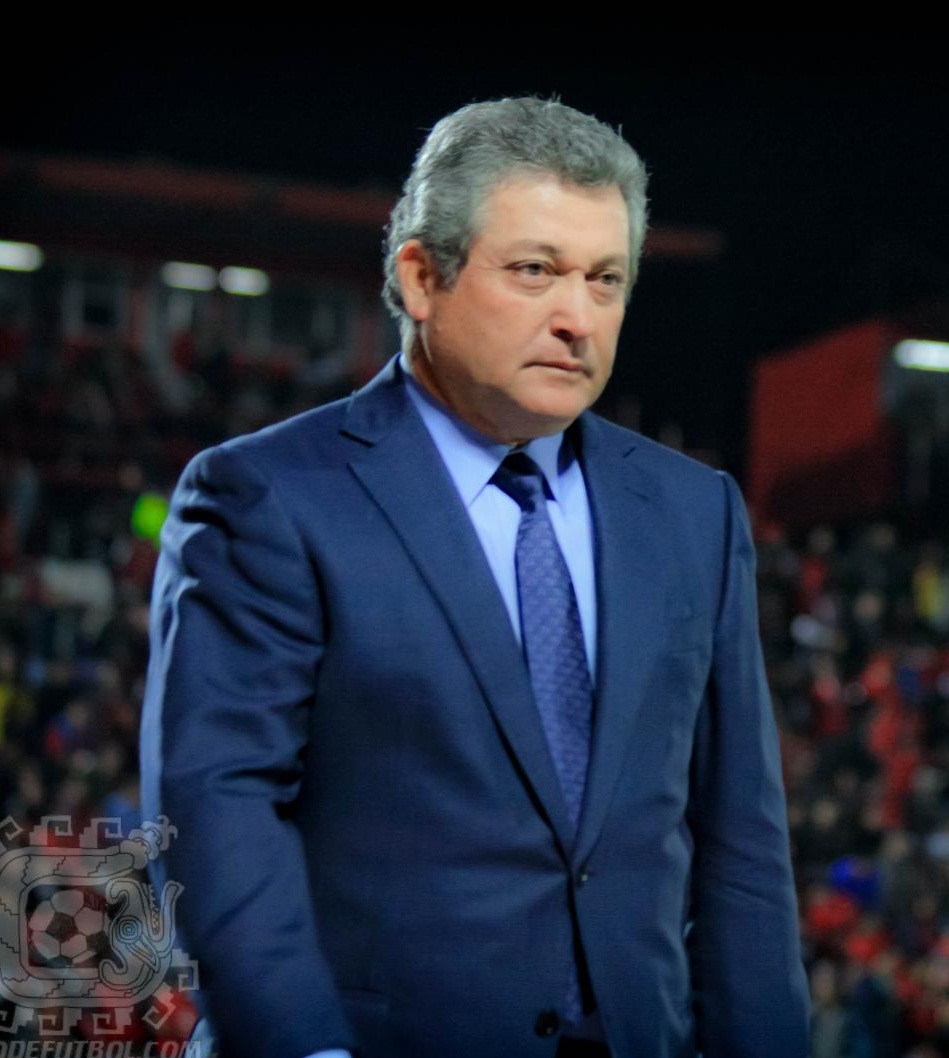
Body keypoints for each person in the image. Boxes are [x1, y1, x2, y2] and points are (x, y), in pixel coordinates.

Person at [141, 97, 809, 1058]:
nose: (576, 319)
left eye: (605, 279)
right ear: (422, 277)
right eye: (534, 270)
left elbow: (742, 840)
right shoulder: (268, 497)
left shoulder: (693, 512)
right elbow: (217, 810)